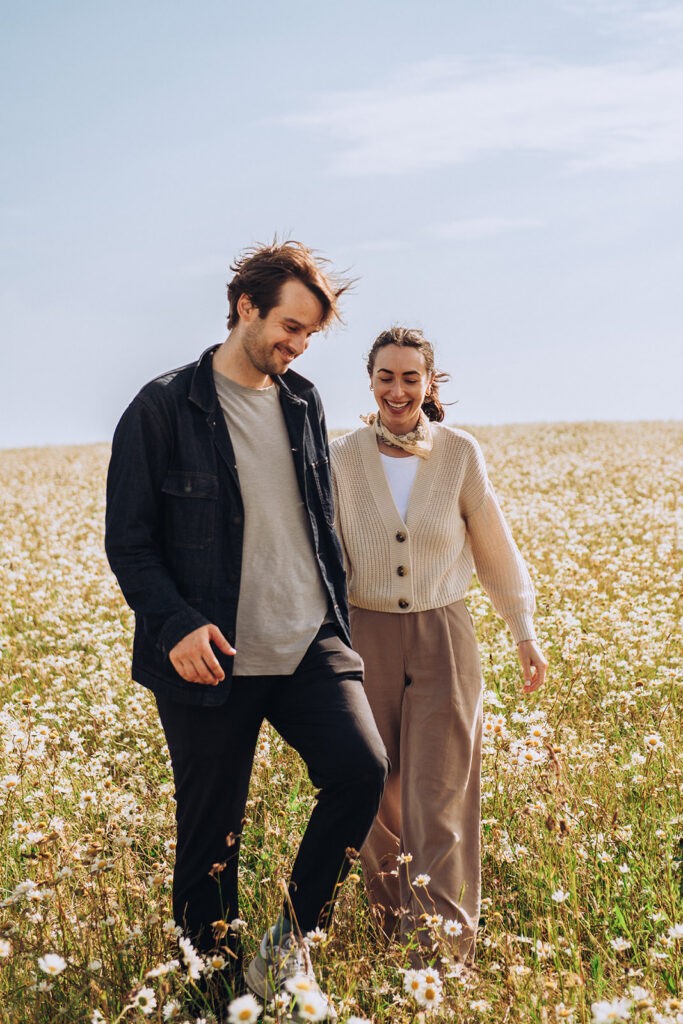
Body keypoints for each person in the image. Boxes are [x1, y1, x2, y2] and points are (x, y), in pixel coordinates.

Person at [105, 241, 388, 1018]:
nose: (298, 346)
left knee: (361, 770)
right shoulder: (162, 407)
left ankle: (289, 943)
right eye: (290, 327)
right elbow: (129, 541)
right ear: (245, 308)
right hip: (209, 656)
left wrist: (337, 620)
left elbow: (316, 521)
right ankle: (215, 993)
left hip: (307, 640)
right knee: (212, 833)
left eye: (309, 335)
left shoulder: (302, 402)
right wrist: (175, 626)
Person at [329, 326, 547, 963]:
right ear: (370, 381)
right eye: (386, 377)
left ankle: (442, 959)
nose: (397, 390)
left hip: (444, 638)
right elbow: (324, 555)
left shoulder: (459, 453)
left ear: (429, 384)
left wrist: (523, 630)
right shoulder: (339, 456)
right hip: (363, 636)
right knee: (373, 789)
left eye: (410, 378)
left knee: (442, 795)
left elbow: (494, 546)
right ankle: (391, 934)